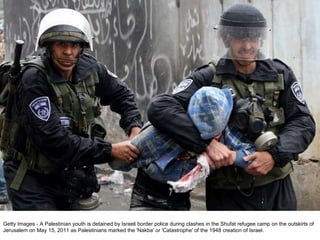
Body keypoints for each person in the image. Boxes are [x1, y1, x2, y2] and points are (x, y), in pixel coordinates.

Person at [130, 3, 315, 211]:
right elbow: (161, 107)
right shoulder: (210, 76)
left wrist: (274, 156)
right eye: (240, 37)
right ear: (227, 38)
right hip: (227, 193)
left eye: (253, 37)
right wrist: (206, 144)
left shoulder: (280, 75)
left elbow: (303, 122)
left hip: (275, 187)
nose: (247, 45)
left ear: (261, 38)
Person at [1, 8, 142, 210]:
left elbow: (123, 95)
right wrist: (110, 151)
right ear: (48, 47)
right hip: (32, 178)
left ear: (82, 48)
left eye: (74, 45)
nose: (68, 52)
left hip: (71, 175)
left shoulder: (90, 68)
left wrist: (134, 128)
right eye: (61, 44)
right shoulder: (34, 79)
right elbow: (53, 140)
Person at [110, 87, 260, 192]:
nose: (208, 138)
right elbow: (120, 160)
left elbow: (252, 156)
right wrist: (116, 151)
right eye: (201, 134)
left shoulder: (226, 133)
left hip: (179, 200)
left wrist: (231, 157)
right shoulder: (161, 134)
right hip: (148, 195)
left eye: (212, 135)